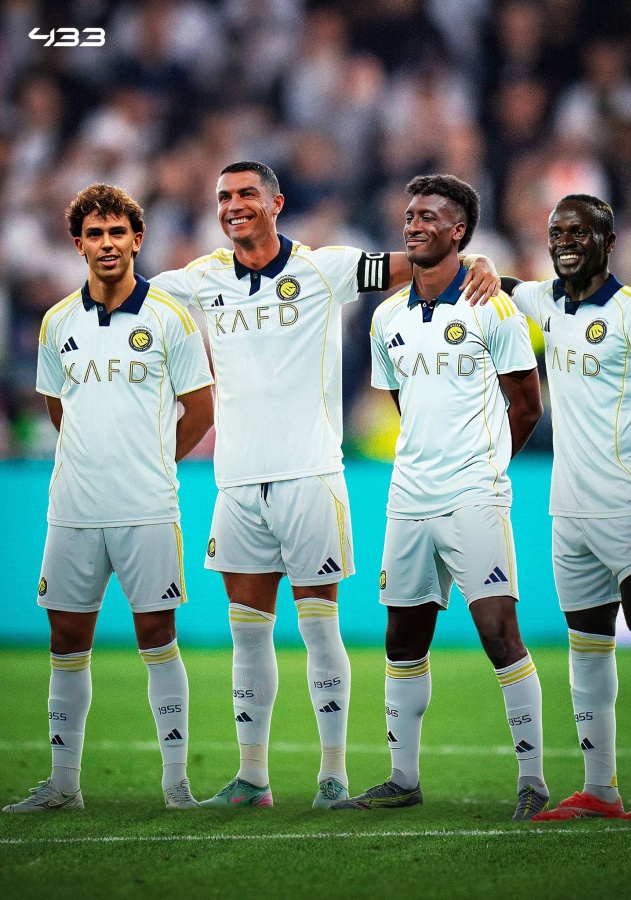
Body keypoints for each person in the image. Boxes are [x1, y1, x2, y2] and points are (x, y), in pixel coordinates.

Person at [151, 161, 500, 809]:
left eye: (247, 194)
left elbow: (420, 262)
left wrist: (479, 263)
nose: (233, 205)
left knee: (319, 630)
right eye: (224, 196)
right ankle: (252, 778)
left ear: (276, 202)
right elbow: (128, 291)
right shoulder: (201, 278)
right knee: (247, 635)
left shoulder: (324, 268)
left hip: (311, 476)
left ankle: (332, 776)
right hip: (236, 483)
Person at [330, 174, 549, 821]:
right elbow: (405, 403)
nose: (414, 224)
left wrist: (486, 466)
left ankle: (533, 781)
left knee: (499, 633)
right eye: (409, 215)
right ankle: (403, 777)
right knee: (402, 639)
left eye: (429, 216)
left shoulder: (492, 307)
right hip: (408, 497)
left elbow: (527, 404)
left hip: (474, 494)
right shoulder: (385, 317)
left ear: (459, 231)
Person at [472, 194, 631, 822]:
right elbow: (505, 285)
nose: (565, 241)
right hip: (568, 514)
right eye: (557, 232)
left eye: (580, 232)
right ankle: (601, 789)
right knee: (587, 650)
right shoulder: (547, 302)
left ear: (609, 241)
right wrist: (480, 263)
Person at [3, 184, 215, 814]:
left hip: (148, 507)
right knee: (66, 641)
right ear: (78, 245)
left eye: (117, 232)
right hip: (73, 508)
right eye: (94, 234)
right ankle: (63, 784)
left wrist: (151, 463)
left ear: (137, 239)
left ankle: (176, 785)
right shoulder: (56, 322)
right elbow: (57, 406)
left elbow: (201, 411)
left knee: (157, 635)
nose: (107, 244)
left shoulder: (170, 318)